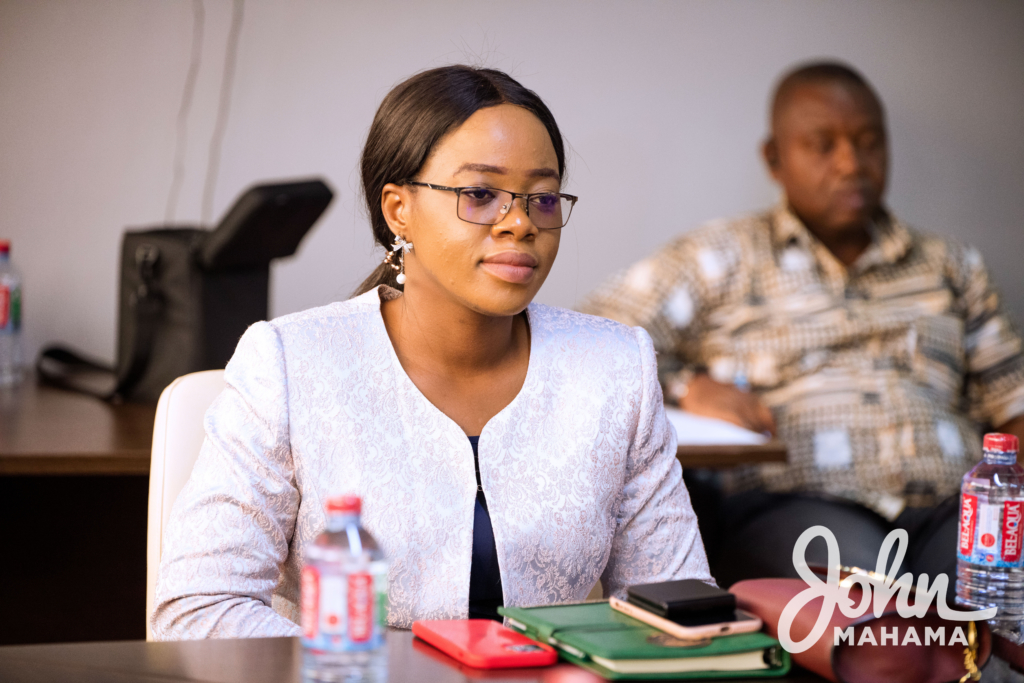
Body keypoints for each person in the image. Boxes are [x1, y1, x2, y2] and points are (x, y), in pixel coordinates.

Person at [152, 65, 711, 640]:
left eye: (542, 199)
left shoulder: (616, 369)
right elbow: (196, 611)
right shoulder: (292, 365)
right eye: (479, 194)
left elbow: (677, 608)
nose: (519, 222)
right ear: (399, 210)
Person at [581, 61, 1024, 589]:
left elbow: (1013, 400)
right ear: (775, 158)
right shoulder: (719, 257)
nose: (851, 163)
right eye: (823, 144)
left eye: (868, 142)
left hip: (952, 507)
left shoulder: (951, 265)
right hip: (796, 505)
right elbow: (594, 338)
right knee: (864, 607)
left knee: (992, 599)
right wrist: (688, 385)